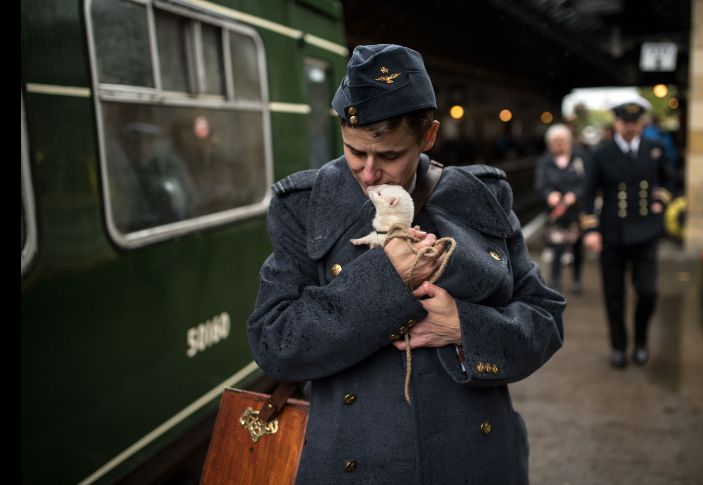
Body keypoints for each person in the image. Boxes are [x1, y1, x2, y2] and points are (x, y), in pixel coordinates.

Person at [247, 44, 565, 484]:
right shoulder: (303, 206)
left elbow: (545, 320)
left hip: (472, 460)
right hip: (355, 464)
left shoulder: (482, 195)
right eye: (355, 152)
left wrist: (463, 327)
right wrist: (385, 280)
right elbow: (273, 344)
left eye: (390, 156)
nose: (369, 173)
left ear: (428, 137)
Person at [580, 97, 674, 369]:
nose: (630, 127)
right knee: (614, 295)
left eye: (635, 122)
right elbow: (588, 193)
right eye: (625, 122)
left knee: (648, 292)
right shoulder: (601, 154)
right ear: (617, 123)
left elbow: (669, 179)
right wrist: (591, 230)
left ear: (641, 124)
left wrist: (661, 201)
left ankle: (641, 341)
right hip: (613, 234)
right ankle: (619, 347)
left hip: (645, 232)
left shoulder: (654, 149)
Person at [534, 123, 589, 294]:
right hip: (556, 214)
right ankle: (555, 281)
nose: (558, 145)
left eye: (562, 141)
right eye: (555, 142)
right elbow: (540, 184)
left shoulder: (581, 158)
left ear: (569, 141)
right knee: (556, 248)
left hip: (576, 212)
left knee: (577, 248)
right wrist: (549, 194)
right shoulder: (545, 161)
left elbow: (588, 182)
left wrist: (575, 195)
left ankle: (576, 279)